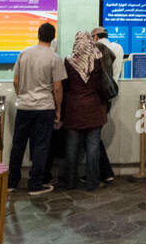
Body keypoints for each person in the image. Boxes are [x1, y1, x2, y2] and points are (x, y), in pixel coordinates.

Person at [8, 23, 65, 196]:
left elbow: (16, 81)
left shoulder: (24, 54)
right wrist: (58, 109)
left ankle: (12, 182)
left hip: (24, 106)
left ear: (38, 35)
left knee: (18, 144)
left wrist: (22, 96)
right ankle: (35, 184)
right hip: (44, 107)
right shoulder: (54, 58)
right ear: (53, 37)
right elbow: (57, 87)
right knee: (40, 146)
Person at [60, 30, 108, 191]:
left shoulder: (68, 61)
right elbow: (102, 85)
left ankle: (70, 181)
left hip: (74, 108)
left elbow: (64, 86)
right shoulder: (97, 60)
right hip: (94, 107)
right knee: (93, 147)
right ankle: (93, 182)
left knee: (72, 147)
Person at [91, 26, 122, 183]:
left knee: (93, 137)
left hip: (97, 97)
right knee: (95, 136)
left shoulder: (96, 49)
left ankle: (102, 172)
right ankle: (104, 172)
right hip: (111, 94)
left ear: (95, 37)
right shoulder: (118, 47)